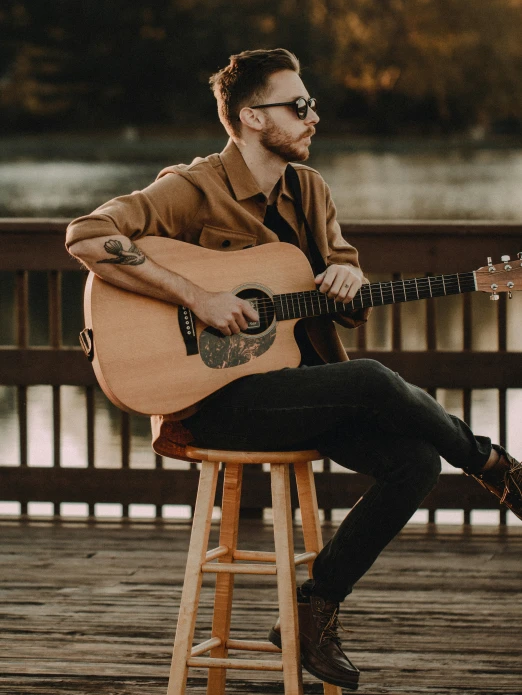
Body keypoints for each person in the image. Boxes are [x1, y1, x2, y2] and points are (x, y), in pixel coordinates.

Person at [66, 48, 522, 691]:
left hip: (303, 387)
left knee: (416, 461)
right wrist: (199, 297)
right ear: (252, 116)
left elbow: (342, 286)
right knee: (369, 379)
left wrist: (348, 276)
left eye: (311, 105)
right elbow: (87, 235)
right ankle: (494, 468)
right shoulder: (191, 188)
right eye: (298, 105)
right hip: (218, 400)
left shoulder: (311, 191)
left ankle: (313, 610)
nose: (314, 117)